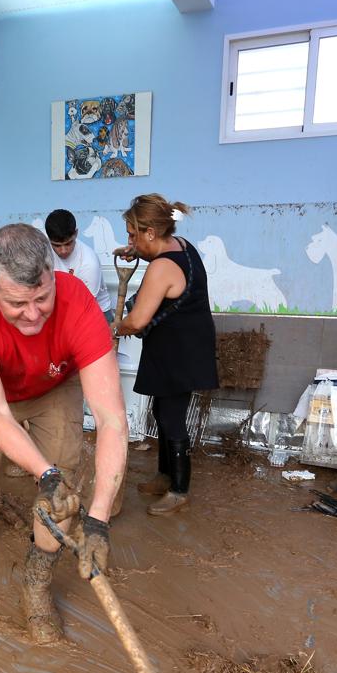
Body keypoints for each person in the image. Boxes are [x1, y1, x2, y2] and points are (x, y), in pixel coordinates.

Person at [0, 223, 128, 644]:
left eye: (42, 298)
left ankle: (36, 583)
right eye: (18, 303)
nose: (33, 314)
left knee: (62, 489)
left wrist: (99, 519)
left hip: (56, 385)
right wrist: (41, 472)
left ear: (52, 273)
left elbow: (112, 421)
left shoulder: (79, 304)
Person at [116, 195, 218, 517]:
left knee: (172, 417)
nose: (129, 241)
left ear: (149, 232)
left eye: (133, 235)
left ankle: (179, 490)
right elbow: (158, 257)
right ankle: (164, 475)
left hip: (179, 351)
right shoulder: (181, 245)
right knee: (161, 410)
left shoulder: (162, 268)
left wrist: (113, 327)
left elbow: (138, 321)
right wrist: (136, 252)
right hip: (185, 343)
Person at [45, 209, 111, 325]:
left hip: (94, 313)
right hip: (60, 311)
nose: (63, 251)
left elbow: (83, 307)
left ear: (76, 233)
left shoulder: (89, 262)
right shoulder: (43, 254)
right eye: (57, 245)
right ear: (49, 239)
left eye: (68, 243)